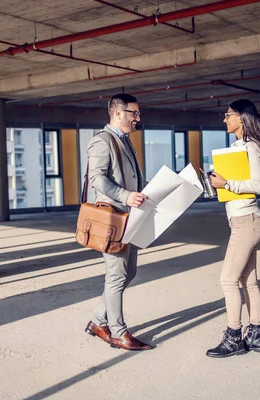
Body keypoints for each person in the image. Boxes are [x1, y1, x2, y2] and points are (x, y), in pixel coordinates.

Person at [84, 93, 153, 351]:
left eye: (138, 113)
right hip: (112, 218)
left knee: (129, 272)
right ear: (117, 113)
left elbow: (131, 177)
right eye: (134, 113)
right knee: (116, 275)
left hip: (129, 216)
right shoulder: (102, 141)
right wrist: (126, 195)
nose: (138, 118)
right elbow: (97, 179)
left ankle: (97, 322)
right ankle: (118, 333)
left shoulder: (124, 141)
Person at [206, 99, 260, 358]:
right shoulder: (238, 147)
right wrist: (218, 184)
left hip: (248, 221)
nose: (225, 119)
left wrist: (228, 183)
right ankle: (256, 335)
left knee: (227, 280)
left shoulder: (251, 147)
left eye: (228, 115)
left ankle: (234, 337)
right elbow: (235, 184)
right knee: (248, 281)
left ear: (242, 118)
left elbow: (259, 184)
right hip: (243, 220)